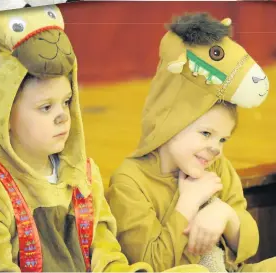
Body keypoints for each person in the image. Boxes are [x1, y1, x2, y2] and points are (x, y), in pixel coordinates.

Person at [0, 6, 155, 272]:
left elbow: (107, 255)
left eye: (66, 102)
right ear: (4, 112)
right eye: (46, 107)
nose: (62, 116)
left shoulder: (85, 175)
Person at [107, 12, 275, 272]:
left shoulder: (217, 166)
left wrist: (225, 215)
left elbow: (249, 243)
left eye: (222, 139)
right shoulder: (129, 182)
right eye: (206, 134)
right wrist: (187, 205)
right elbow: (151, 263)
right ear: (169, 121)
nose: (215, 147)